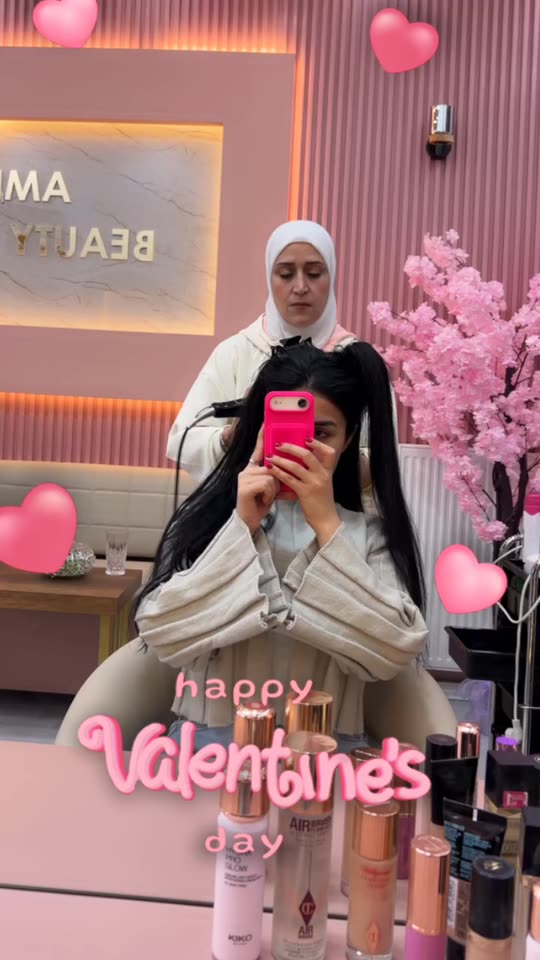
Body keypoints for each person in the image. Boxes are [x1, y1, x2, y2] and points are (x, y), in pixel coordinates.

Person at [134, 339, 427, 754]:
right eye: (284, 431)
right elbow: (162, 632)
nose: (299, 449)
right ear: (259, 430)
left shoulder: (370, 536)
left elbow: (395, 647)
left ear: (348, 439)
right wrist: (241, 527)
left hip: (323, 754)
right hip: (210, 751)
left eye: (322, 433)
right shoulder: (206, 524)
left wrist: (328, 526)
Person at [166, 219, 398, 503]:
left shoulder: (356, 361)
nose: (300, 287)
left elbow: (386, 460)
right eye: (286, 274)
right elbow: (183, 441)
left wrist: (328, 458)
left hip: (333, 517)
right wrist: (234, 436)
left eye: (314, 273)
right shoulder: (237, 352)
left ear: (332, 275)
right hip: (246, 515)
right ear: (269, 278)